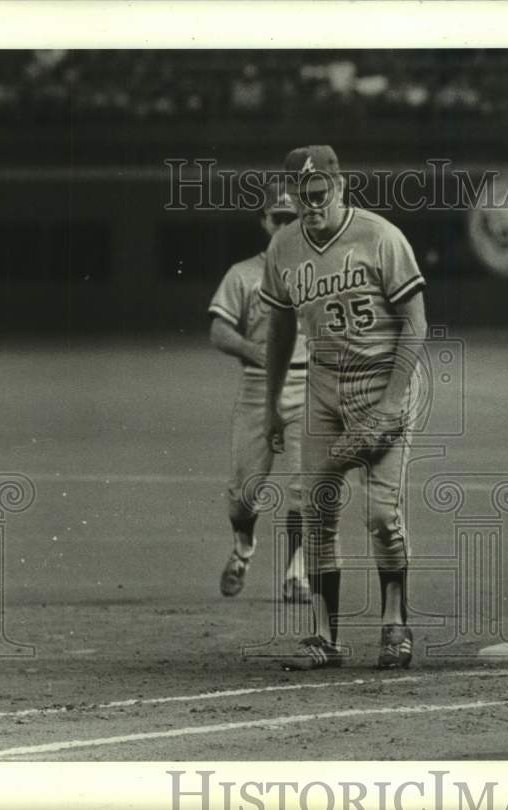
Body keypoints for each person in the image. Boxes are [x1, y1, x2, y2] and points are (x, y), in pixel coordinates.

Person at [260, 145, 427, 669]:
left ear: (340, 186)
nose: (309, 205)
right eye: (298, 195)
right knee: (317, 512)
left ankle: (395, 625)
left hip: (383, 379)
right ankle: (324, 638)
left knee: (380, 515)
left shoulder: (380, 236)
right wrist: (271, 404)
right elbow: (281, 329)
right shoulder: (283, 248)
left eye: (317, 193)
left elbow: (416, 324)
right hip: (322, 387)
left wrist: (391, 404)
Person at [208, 181, 311, 604]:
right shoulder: (244, 274)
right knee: (244, 491)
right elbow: (218, 330)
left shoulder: (320, 273)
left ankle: (296, 574)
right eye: (278, 217)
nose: (285, 224)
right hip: (257, 387)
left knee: (305, 487)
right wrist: (258, 352)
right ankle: (243, 550)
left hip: (310, 385)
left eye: (292, 217)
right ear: (264, 221)